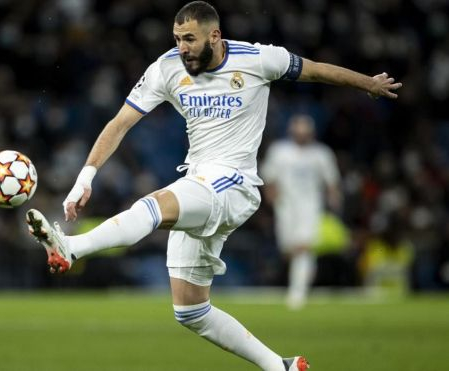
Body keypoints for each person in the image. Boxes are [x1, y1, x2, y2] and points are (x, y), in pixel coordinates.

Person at [25, 2, 401, 370]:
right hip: (200, 180)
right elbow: (120, 123)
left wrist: (367, 83)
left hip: (235, 183)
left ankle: (72, 247)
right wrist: (85, 176)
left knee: (155, 204)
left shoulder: (257, 59)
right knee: (190, 311)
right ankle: (281, 366)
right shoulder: (166, 68)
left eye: (189, 38)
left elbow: (316, 71)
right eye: (176, 39)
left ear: (215, 35)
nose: (181, 47)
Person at [261, 115, 343, 310]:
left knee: (304, 247)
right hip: (286, 207)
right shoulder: (279, 151)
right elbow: (269, 178)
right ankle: (301, 281)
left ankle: (298, 293)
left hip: (311, 207)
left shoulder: (321, 154)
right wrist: (271, 200)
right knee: (289, 248)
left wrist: (334, 201)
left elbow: (331, 181)